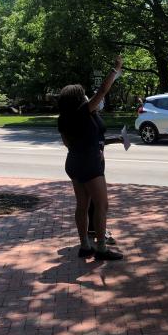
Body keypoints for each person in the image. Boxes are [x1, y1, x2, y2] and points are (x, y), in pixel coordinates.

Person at [57, 60, 125, 260]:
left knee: (82, 205)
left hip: (74, 162)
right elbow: (103, 91)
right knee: (102, 205)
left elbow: (67, 143)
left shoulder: (63, 118)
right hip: (89, 164)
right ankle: (101, 248)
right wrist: (115, 71)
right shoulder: (83, 112)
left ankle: (85, 245)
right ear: (78, 98)